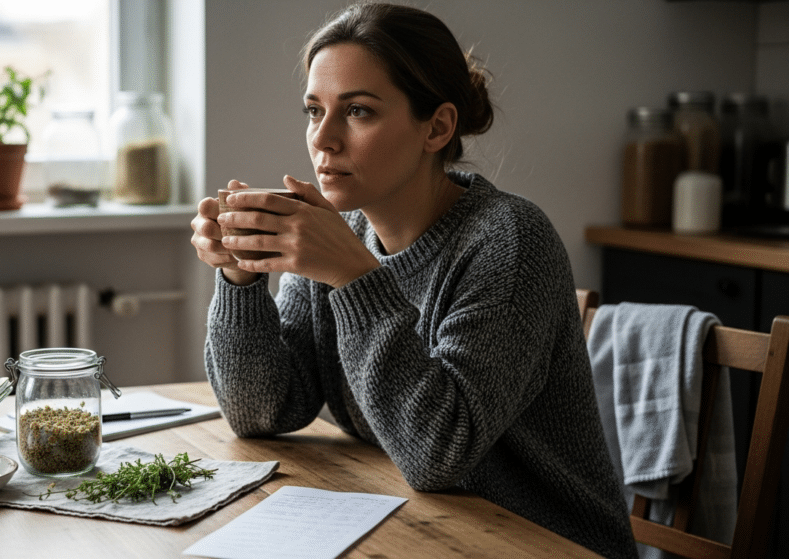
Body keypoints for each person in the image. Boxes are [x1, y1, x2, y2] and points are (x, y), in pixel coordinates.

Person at [189, 3, 637, 558]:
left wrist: (353, 276)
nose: (323, 139)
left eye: (357, 111)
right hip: (425, 529)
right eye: (314, 110)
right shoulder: (340, 233)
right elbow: (261, 412)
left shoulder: (511, 241)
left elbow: (439, 453)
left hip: (547, 544)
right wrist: (239, 277)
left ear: (437, 127)